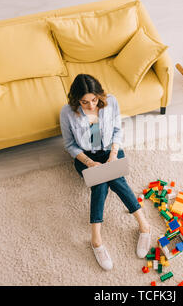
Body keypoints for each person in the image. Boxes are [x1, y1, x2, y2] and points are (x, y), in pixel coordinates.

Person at [60, 74, 151, 271]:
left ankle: (144, 226)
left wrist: (113, 154)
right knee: (100, 184)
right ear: (77, 100)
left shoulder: (111, 102)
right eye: (85, 102)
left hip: (111, 150)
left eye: (94, 100)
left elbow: (117, 130)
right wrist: (90, 162)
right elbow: (69, 145)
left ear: (99, 95)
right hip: (86, 158)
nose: (91, 106)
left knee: (115, 178)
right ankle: (96, 240)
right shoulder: (67, 112)